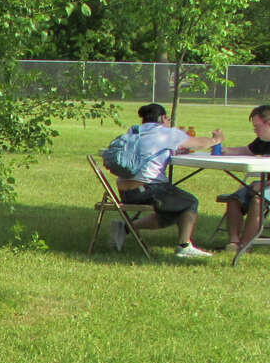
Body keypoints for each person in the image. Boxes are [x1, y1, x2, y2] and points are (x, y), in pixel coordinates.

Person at [108, 103, 223, 258]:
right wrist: (215, 140)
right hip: (147, 189)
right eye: (167, 118)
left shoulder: (134, 132)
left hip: (125, 192)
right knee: (190, 202)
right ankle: (184, 245)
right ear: (163, 118)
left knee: (173, 210)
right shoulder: (166, 133)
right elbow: (198, 143)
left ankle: (126, 227)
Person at [218, 103, 270, 254]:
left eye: (257, 126)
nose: (254, 130)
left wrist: (265, 184)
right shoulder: (263, 140)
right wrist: (226, 150)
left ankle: (246, 245)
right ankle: (233, 242)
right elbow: (247, 150)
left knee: (257, 201)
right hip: (263, 183)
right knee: (234, 199)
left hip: (265, 185)